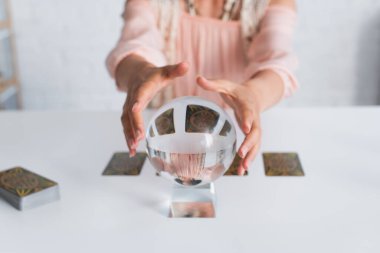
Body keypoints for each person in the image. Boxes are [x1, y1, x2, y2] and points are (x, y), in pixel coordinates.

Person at [106, 0, 298, 175]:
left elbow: (277, 63)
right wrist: (139, 74)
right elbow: (132, 47)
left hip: (235, 140)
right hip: (168, 147)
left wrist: (253, 95)